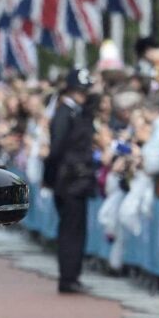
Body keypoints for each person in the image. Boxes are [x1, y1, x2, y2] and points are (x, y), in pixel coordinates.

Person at [44, 67, 97, 294]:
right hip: (69, 180)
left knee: (76, 229)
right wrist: (51, 178)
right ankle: (68, 277)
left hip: (76, 179)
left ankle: (72, 275)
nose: (83, 96)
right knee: (71, 230)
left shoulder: (76, 112)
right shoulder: (65, 113)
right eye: (80, 91)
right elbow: (56, 150)